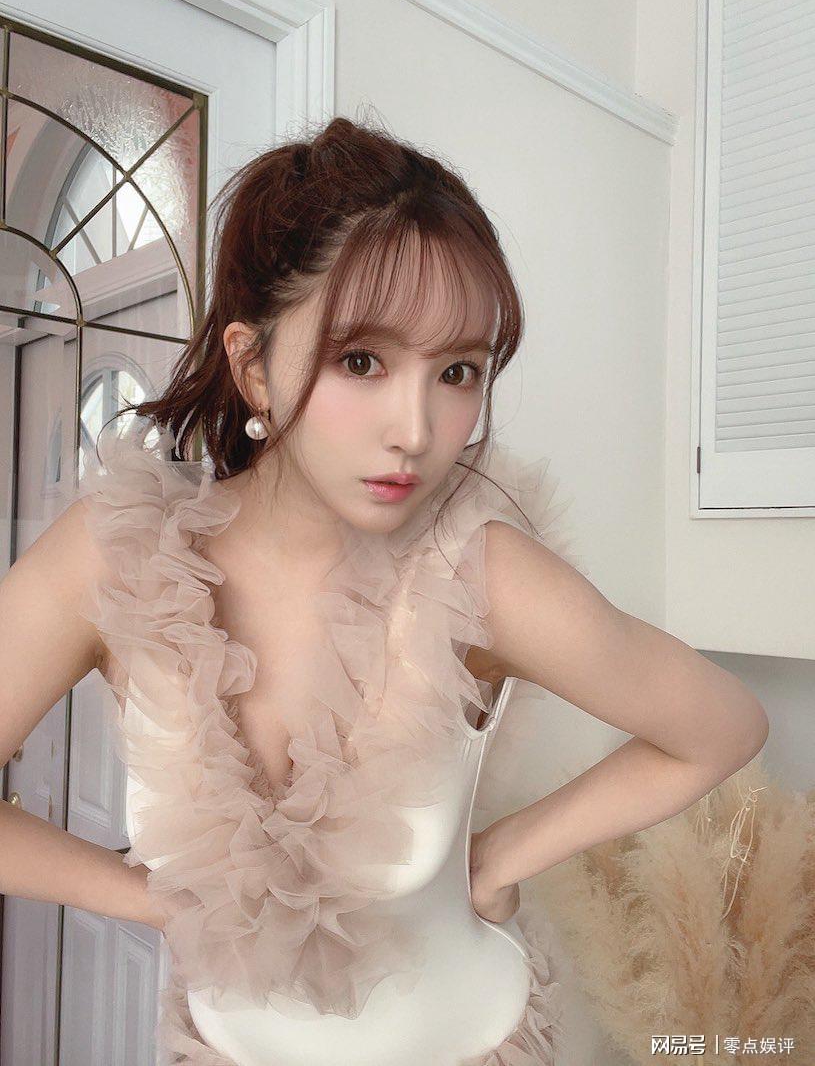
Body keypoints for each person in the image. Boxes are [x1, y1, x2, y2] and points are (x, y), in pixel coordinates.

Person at [0, 115, 769, 1066]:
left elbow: (723, 725)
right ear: (252, 365)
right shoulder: (118, 559)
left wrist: (502, 854)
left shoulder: (480, 575)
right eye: (360, 361)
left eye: (457, 371)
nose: (415, 427)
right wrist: (145, 896)